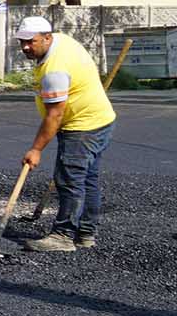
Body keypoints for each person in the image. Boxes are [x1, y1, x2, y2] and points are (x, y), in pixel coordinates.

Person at [15, 15, 116, 251]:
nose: (26, 47)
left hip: (82, 128)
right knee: (87, 179)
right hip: (101, 120)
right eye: (22, 42)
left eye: (32, 42)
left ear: (47, 37)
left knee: (69, 180)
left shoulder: (55, 70)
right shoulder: (60, 41)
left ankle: (63, 236)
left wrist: (36, 149)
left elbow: (54, 116)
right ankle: (85, 234)